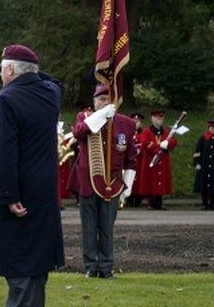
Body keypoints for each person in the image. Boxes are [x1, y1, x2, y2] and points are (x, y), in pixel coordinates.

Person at [0, 45, 64, 307]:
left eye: (3, 67)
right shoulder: (50, 94)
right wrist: (34, 71)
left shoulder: (7, 100)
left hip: (17, 188)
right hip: (43, 186)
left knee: (17, 257)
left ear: (12, 71)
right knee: (36, 255)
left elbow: (3, 153)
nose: (0, 72)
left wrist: (8, 195)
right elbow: (56, 82)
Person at [68, 85, 138, 279]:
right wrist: (101, 116)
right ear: (94, 101)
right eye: (100, 99)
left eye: (107, 99)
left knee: (107, 227)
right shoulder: (86, 118)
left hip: (112, 183)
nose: (104, 102)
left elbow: (131, 157)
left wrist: (128, 185)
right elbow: (79, 133)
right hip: (88, 181)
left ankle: (106, 267)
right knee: (89, 227)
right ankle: (90, 266)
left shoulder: (126, 124)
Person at [136, 110, 175, 210]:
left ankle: (159, 202)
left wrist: (168, 144)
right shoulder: (147, 131)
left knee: (161, 181)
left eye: (161, 119)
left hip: (162, 160)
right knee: (151, 181)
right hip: (151, 160)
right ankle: (151, 202)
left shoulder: (165, 131)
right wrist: (159, 146)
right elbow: (145, 143)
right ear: (152, 119)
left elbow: (173, 141)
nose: (160, 121)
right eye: (158, 119)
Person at [193, 120, 214, 210]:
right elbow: (197, 151)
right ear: (208, 128)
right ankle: (204, 203)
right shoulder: (203, 138)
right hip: (204, 165)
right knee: (204, 184)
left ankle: (213, 203)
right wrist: (197, 163)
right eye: (212, 128)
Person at [125, 112, 146, 207]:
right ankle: (128, 198)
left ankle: (138, 198)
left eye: (138, 122)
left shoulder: (143, 133)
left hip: (140, 160)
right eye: (134, 121)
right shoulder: (127, 132)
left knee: (138, 180)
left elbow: (144, 144)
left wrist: (139, 149)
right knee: (128, 178)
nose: (136, 123)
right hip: (129, 159)